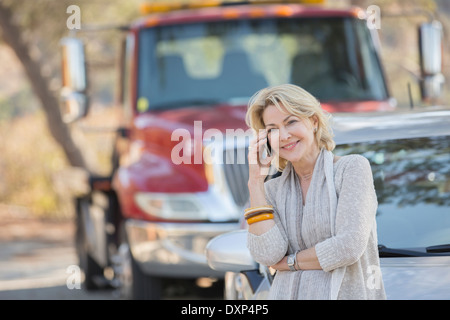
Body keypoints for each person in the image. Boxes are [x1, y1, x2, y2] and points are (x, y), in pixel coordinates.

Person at [244, 84, 386, 300]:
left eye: (291, 122)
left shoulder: (351, 169)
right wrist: (255, 181)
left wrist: (290, 262)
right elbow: (268, 254)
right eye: (272, 129)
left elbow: (348, 246)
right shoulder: (269, 190)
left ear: (313, 121)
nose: (283, 136)